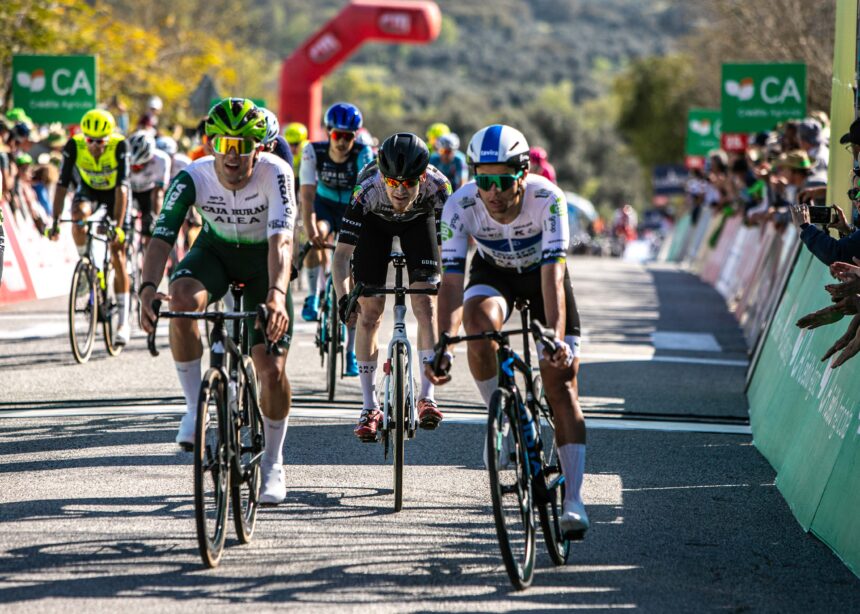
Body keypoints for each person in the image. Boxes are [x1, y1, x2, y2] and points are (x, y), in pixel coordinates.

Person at [427, 124, 589, 535]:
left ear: (522, 175)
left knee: (561, 381)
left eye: (502, 181)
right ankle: (501, 417)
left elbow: (553, 277)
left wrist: (553, 336)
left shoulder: (548, 199)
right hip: (494, 274)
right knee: (477, 329)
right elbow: (449, 282)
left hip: (542, 277)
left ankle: (573, 499)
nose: (493, 192)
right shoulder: (460, 205)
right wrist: (442, 342)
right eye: (484, 181)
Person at [139, 98, 297, 504]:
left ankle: (274, 464)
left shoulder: (276, 173)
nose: (231, 154)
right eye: (223, 142)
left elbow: (282, 242)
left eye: (242, 145)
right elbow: (161, 237)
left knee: (270, 367)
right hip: (215, 253)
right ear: (211, 144)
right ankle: (195, 409)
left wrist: (278, 295)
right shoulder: (193, 175)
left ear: (257, 149)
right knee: (182, 297)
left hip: (264, 263)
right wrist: (146, 287)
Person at [332, 133, 452, 440]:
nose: (400, 190)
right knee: (369, 313)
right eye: (393, 183)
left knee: (426, 304)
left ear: (422, 177)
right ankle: (369, 407)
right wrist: (344, 297)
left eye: (409, 183)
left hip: (418, 224)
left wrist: (450, 288)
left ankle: (428, 397)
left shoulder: (438, 188)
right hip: (375, 225)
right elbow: (342, 255)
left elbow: (449, 249)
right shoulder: (367, 188)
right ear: (383, 177)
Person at [299, 102, 374, 376]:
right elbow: (306, 196)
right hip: (325, 206)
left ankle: (351, 351)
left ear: (355, 136)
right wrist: (310, 229)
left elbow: (367, 195)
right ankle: (312, 296)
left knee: (353, 280)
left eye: (348, 136)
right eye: (336, 135)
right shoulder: (312, 151)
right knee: (315, 234)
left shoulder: (363, 153)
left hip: (352, 208)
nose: (342, 141)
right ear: (328, 132)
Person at [49, 109, 132, 346]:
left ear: (109, 137)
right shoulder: (74, 145)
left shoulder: (119, 146)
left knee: (117, 251)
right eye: (90, 141)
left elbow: (123, 188)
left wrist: (117, 225)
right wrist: (55, 220)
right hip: (89, 190)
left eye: (100, 142)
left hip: (116, 194)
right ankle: (86, 265)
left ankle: (123, 322)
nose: (95, 146)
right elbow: (63, 183)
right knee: (77, 218)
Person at [128, 131, 171, 250]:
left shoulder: (162, 160)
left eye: (139, 166)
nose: (135, 169)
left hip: (149, 193)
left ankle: (146, 259)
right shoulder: (123, 156)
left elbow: (159, 192)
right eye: (132, 166)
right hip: (129, 191)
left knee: (150, 230)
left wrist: (155, 216)